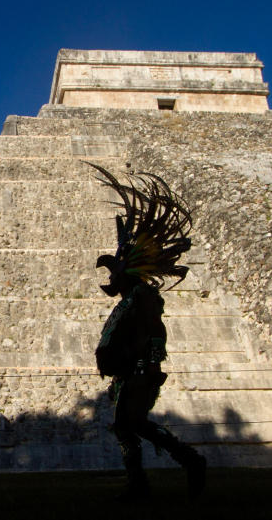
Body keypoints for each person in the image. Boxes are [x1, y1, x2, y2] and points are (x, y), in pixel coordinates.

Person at [86, 163, 207, 499]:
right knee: (132, 426)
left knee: (129, 427)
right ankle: (180, 465)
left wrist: (150, 366)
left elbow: (156, 332)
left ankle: (165, 472)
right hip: (128, 373)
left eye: (116, 274)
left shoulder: (142, 297)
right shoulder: (130, 299)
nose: (111, 279)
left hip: (140, 372)